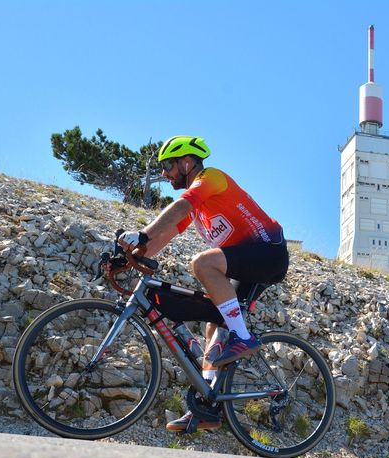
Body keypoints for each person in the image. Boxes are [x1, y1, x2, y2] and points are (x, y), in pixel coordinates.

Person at [117, 135, 289, 431]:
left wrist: (142, 233)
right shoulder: (196, 208)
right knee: (214, 326)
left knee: (202, 263)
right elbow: (166, 233)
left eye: (168, 166)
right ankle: (206, 407)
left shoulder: (211, 178)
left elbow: (179, 208)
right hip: (246, 262)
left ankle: (243, 338)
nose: (164, 173)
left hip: (268, 252)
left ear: (187, 163)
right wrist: (129, 257)